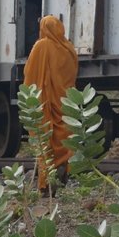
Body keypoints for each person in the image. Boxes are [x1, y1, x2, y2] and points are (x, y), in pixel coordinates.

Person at [23, 15, 79, 192]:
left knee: (45, 140)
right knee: (63, 139)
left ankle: (46, 184)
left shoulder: (42, 46)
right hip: (64, 104)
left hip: (46, 103)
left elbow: (29, 73)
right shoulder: (70, 49)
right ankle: (61, 170)